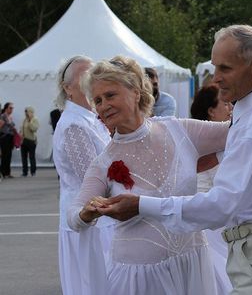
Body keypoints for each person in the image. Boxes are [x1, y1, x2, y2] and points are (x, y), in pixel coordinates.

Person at [96, 25, 252, 294]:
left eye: (226, 69)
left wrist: (141, 205)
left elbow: (220, 205)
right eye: (215, 67)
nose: (215, 78)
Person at [68, 55, 229, 295]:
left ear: (135, 91)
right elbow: (74, 217)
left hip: (192, 264)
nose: (103, 106)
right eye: (98, 100)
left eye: (110, 95)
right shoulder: (104, 162)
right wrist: (87, 212)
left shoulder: (179, 130)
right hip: (139, 278)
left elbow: (237, 132)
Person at [53, 55, 114, 295]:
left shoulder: (90, 118)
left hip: (99, 218)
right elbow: (92, 178)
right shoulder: (74, 125)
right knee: (93, 284)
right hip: (89, 222)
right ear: (67, 89)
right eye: (85, 76)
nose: (92, 80)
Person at [190, 84, 233, 294]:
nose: (230, 107)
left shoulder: (233, 139)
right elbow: (200, 187)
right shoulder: (199, 144)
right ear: (210, 111)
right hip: (213, 224)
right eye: (225, 103)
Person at [20, 106, 39, 177]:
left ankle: (33, 171)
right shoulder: (24, 120)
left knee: (31, 156)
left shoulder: (35, 119)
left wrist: (30, 121)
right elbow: (21, 128)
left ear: (31, 112)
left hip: (31, 140)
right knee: (24, 157)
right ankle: (25, 172)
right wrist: (20, 137)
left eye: (27, 111)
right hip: (24, 140)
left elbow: (34, 129)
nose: (26, 113)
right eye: (25, 112)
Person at [0, 102, 17, 178]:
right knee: (5, 155)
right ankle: (3, 173)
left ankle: (7, 172)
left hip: (10, 137)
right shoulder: (3, 116)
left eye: (12, 108)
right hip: (4, 137)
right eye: (10, 108)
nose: (12, 109)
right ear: (6, 108)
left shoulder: (9, 116)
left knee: (9, 155)